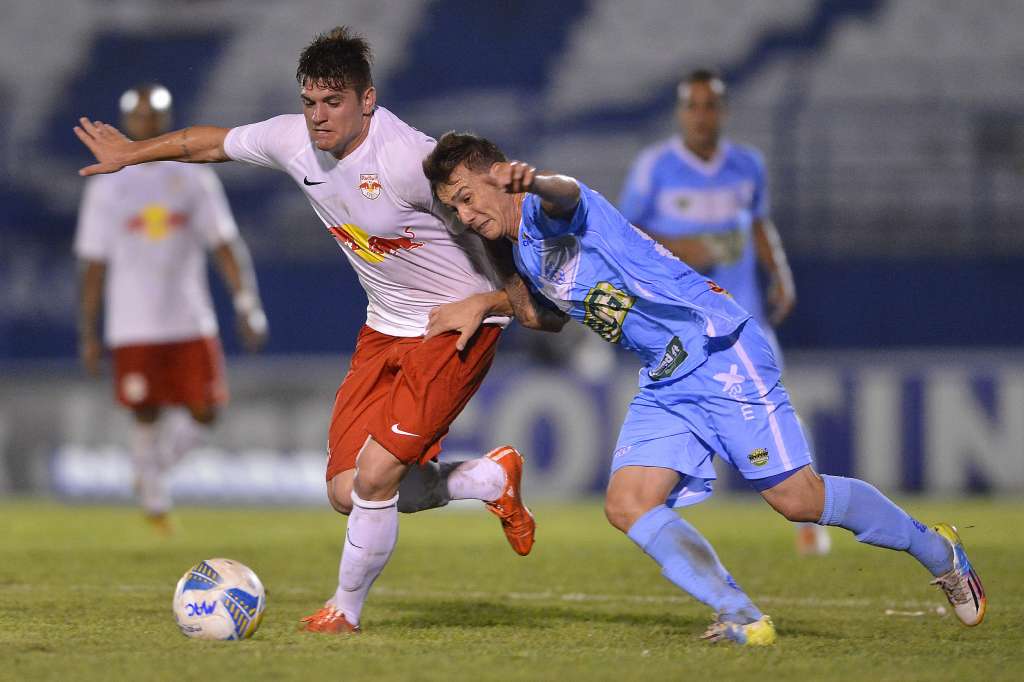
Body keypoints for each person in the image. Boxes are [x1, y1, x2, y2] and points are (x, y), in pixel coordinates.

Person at [74, 28, 559, 634]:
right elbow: (208, 145)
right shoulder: (291, 141)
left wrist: (496, 300)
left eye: (333, 103)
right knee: (348, 490)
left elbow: (495, 224)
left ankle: (342, 612)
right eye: (310, 103)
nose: (318, 117)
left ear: (368, 101)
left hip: (452, 328)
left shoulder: (412, 162)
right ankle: (490, 477)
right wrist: (132, 153)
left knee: (378, 476)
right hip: (383, 329)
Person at [420, 132, 986, 646]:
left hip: (716, 347)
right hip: (665, 375)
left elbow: (565, 194)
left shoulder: (551, 210)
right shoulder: (520, 251)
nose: (465, 215)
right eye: (454, 208)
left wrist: (535, 179)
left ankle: (937, 549)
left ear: (499, 174)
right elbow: (546, 318)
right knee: (627, 504)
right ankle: (739, 614)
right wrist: (486, 300)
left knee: (798, 501)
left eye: (469, 197)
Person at [619, 68, 828, 555]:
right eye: (692, 106)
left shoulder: (747, 165)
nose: (700, 115)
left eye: (709, 105)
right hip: (680, 326)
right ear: (680, 113)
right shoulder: (654, 167)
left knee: (777, 410)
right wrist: (688, 248)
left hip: (743, 320)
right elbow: (625, 236)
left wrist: (780, 272)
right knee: (681, 414)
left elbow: (758, 222)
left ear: (723, 111)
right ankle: (658, 506)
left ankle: (809, 515)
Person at [75, 83, 269, 532]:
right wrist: (88, 332)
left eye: (154, 116)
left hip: (188, 316)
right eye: (139, 116)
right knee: (146, 410)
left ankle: (149, 471)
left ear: (165, 119)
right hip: (132, 322)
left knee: (206, 409)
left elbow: (225, 244)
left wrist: (246, 303)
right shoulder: (108, 184)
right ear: (128, 121)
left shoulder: (195, 177)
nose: (146, 123)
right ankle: (156, 504)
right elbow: (92, 264)